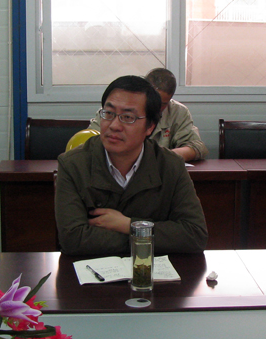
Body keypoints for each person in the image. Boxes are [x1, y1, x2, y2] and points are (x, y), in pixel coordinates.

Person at [55, 75, 208, 255]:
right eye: (109, 113)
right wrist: (147, 236)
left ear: (150, 127)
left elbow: (194, 235)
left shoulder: (171, 165)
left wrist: (129, 225)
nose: (114, 125)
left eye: (127, 117)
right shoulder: (73, 164)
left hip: (152, 269)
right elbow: (72, 240)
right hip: (91, 270)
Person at [88, 68, 208, 161]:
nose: (155, 107)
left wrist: (162, 158)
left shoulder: (178, 112)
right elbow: (88, 142)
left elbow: (197, 147)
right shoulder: (112, 111)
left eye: (162, 104)